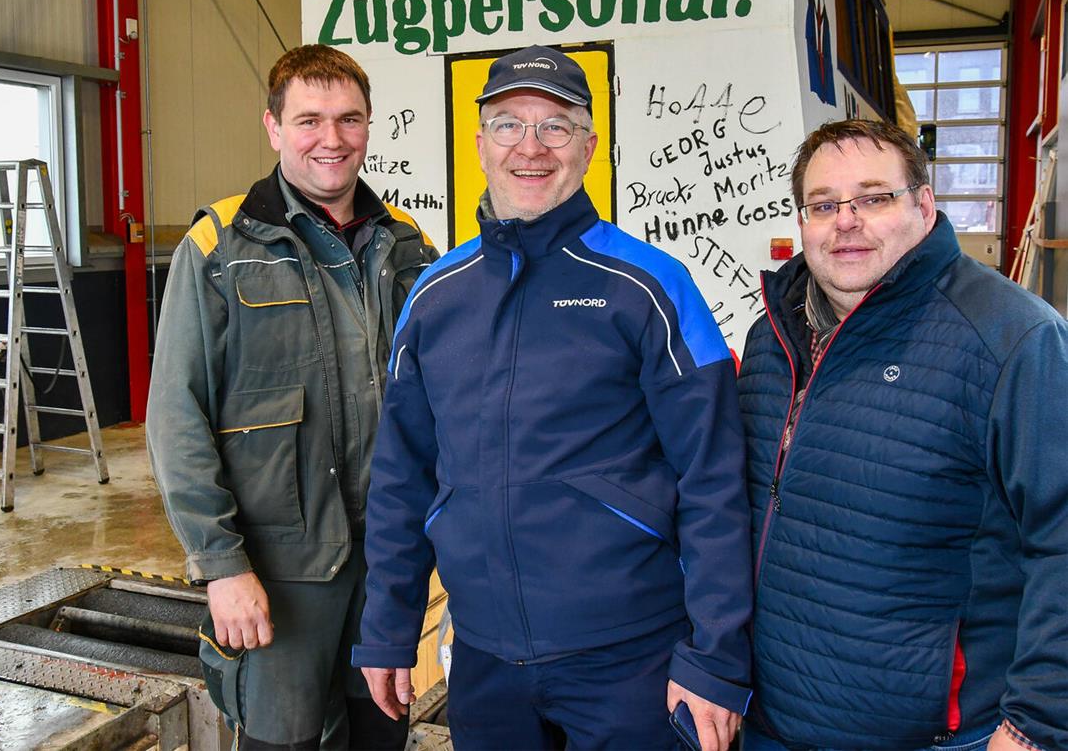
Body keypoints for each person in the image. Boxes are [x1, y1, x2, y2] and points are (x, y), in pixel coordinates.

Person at [352, 45, 753, 751]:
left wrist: (717, 656)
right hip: (483, 660)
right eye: (508, 124)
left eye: (556, 126)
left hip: (631, 659)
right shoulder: (435, 297)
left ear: (590, 145)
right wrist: (387, 626)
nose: (530, 147)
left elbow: (715, 479)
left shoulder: (651, 287)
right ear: (479, 144)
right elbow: (401, 477)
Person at [738, 119, 1068, 751]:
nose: (846, 220)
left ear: (923, 204)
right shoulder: (770, 338)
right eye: (824, 204)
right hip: (770, 721)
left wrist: (1035, 725)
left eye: (874, 197)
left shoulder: (1011, 338)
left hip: (933, 736)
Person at [146, 44, 437, 751]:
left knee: (379, 733)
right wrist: (221, 564)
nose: (331, 139)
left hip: (389, 563)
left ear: (369, 126)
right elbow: (176, 417)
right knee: (283, 742)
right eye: (309, 120)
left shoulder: (410, 247)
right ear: (273, 127)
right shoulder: (219, 246)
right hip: (280, 571)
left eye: (349, 119)